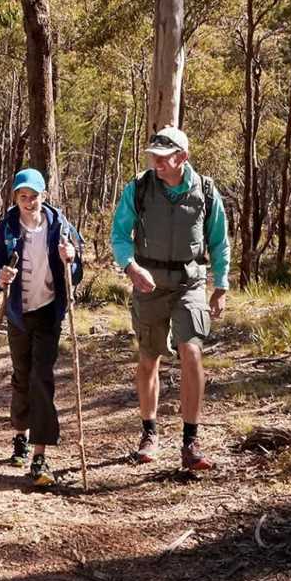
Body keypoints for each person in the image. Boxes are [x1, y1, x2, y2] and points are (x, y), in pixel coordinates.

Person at [110, 126, 230, 470]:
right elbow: (119, 234)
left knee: (191, 351)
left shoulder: (205, 191)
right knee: (149, 358)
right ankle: (149, 433)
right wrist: (131, 266)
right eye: (154, 157)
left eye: (163, 158)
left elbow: (219, 241)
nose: (156, 163)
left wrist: (220, 285)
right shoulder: (139, 188)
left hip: (189, 283)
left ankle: (191, 441)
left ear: (182, 158)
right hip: (148, 284)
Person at [0, 168, 83, 486]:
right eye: (23, 196)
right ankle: (20, 435)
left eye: (34, 196)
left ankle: (40, 455)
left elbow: (76, 272)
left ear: (44, 195)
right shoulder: (6, 229)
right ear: (15, 197)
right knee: (22, 377)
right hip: (17, 314)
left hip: (49, 312)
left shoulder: (60, 226)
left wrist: (72, 258)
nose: (28, 202)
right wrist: (0, 278)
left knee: (42, 378)